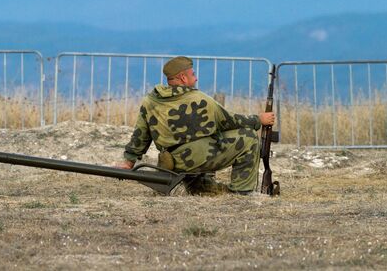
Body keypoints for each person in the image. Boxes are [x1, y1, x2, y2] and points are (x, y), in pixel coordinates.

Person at [114, 56, 275, 194]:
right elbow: (229, 121)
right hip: (196, 160)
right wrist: (258, 120)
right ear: (183, 78)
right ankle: (243, 192)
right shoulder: (198, 99)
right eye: (193, 74)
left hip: (170, 164)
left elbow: (140, 136)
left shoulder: (150, 101)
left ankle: (199, 187)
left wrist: (129, 163)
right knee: (248, 137)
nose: (196, 78)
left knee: (209, 138)